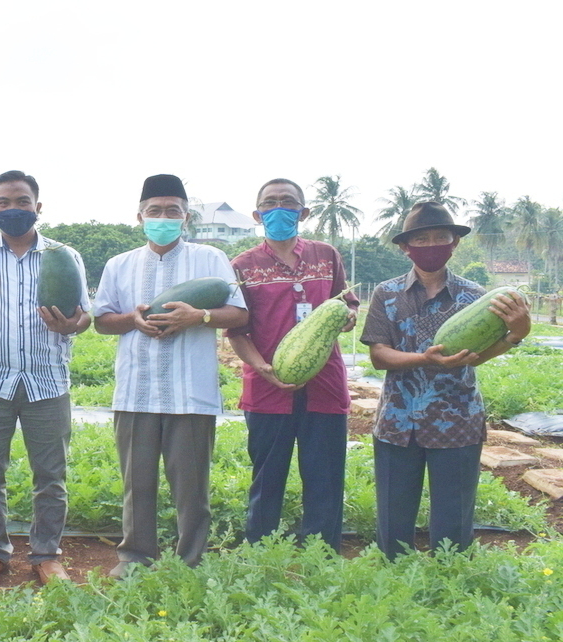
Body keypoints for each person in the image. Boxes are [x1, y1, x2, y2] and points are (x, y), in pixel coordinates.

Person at [94, 174, 248, 578]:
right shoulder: (119, 264)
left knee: (191, 488)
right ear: (140, 216)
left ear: (186, 216)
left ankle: (191, 561)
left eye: (173, 211)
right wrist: (134, 319)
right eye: (155, 210)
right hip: (136, 390)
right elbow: (102, 321)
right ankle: (134, 557)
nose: (164, 217)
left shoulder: (211, 259)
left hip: (190, 392)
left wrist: (198, 316)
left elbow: (240, 313)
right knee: (137, 485)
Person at [361, 202, 530, 560]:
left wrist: (517, 334)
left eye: (441, 237)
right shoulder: (386, 293)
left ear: (454, 244)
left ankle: (449, 582)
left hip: (457, 421)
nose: (432, 244)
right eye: (421, 238)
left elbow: (477, 355)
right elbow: (379, 355)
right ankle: (394, 580)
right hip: (397, 421)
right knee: (393, 522)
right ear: (406, 247)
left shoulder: (478, 298)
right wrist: (424, 358)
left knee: (454, 524)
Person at [0, 170, 91, 585]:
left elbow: (84, 315)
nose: (13, 209)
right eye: (4, 203)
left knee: (51, 475)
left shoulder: (65, 255)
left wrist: (71, 326)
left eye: (22, 202)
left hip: (47, 380)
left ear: (38, 207)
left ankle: (46, 554)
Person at [225, 178, 359, 552]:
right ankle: (261, 548)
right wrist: (262, 367)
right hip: (267, 385)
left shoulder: (325, 255)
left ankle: (321, 550)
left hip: (325, 383)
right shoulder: (242, 266)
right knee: (267, 475)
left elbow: (347, 301)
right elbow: (237, 331)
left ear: (304, 212)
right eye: (270, 203)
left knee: (325, 473)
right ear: (257, 214)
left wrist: (347, 315)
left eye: (288, 202)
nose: (278, 208)